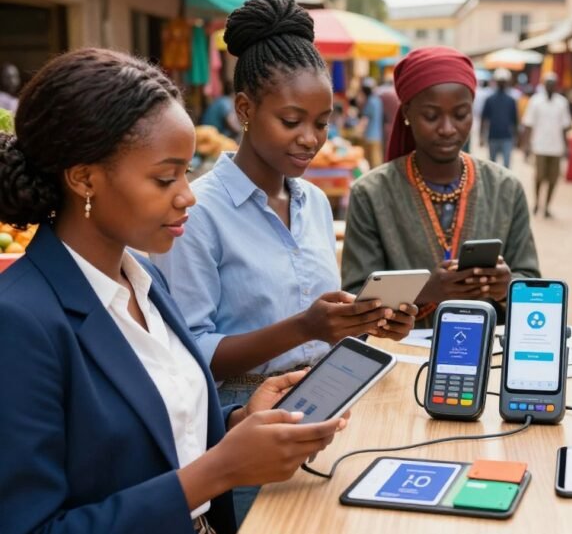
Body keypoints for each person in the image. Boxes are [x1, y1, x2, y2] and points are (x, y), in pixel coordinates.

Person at [0, 48, 345, 534]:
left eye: (186, 172)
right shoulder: (20, 320)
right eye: (165, 178)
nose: (186, 195)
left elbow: (149, 434)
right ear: (83, 178)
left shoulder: (145, 279)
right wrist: (219, 470)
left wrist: (238, 420)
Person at [150, 0, 416, 520]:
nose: (311, 139)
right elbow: (192, 352)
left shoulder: (314, 201)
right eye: (292, 120)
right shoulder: (197, 213)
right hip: (246, 421)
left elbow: (319, 320)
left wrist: (366, 321)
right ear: (245, 110)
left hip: (330, 402)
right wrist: (305, 327)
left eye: (323, 122)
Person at [342, 46, 540, 325]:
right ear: (407, 112)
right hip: (404, 356)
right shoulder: (371, 193)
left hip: (490, 355)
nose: (448, 128)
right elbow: (355, 297)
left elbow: (535, 288)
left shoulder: (506, 189)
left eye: (460, 114)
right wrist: (426, 291)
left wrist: (508, 286)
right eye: (432, 116)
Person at [521, 72, 571, 218]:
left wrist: (567, 147)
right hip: (540, 146)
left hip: (556, 147)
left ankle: (547, 206)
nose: (550, 87)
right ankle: (537, 202)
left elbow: (564, 127)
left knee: (553, 179)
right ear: (544, 85)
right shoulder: (535, 101)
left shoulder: (562, 102)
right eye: (548, 84)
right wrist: (526, 145)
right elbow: (528, 124)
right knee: (539, 176)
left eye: (552, 84)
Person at [479, 67, 519, 168]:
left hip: (507, 137)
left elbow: (515, 120)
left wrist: (517, 137)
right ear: (496, 82)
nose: (502, 84)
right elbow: (484, 118)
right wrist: (481, 136)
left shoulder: (511, 100)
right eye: (500, 81)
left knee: (506, 165)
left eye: (503, 81)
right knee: (492, 165)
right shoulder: (490, 99)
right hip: (493, 136)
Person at [357, 77, 384, 168]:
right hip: (377, 135)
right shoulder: (377, 100)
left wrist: (359, 130)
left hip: (370, 136)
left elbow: (365, 119)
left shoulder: (370, 102)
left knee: (371, 161)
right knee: (376, 159)